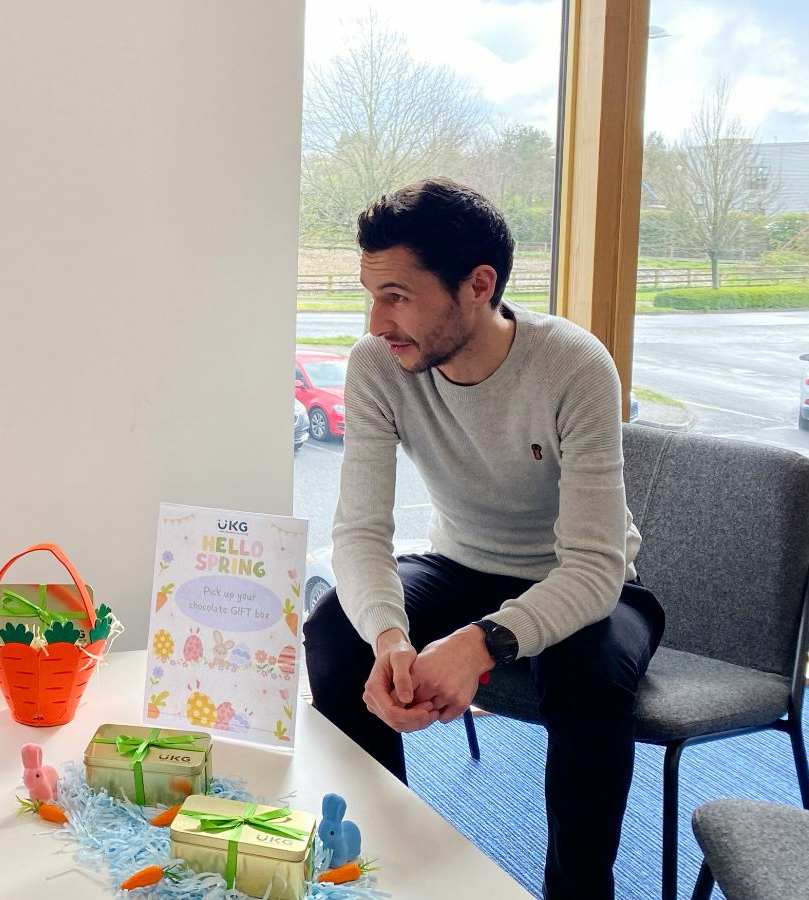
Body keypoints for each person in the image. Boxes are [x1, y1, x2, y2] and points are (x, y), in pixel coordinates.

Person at [303, 178, 666, 899]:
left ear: (478, 284)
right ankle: (378, 867)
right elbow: (360, 534)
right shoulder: (377, 364)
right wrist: (389, 640)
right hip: (461, 563)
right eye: (372, 294)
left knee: (587, 672)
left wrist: (479, 644)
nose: (377, 321)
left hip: (584, 583)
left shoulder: (574, 365)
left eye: (398, 295)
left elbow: (595, 566)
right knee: (334, 630)